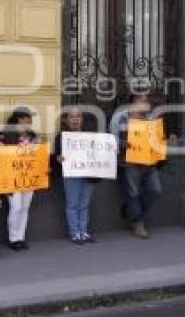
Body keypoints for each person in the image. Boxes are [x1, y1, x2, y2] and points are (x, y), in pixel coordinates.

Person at [109, 94, 164, 239]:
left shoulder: (151, 119)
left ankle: (130, 210)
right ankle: (138, 223)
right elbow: (111, 139)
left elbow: (156, 139)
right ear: (132, 103)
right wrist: (123, 144)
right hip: (128, 163)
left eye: (146, 102)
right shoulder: (120, 117)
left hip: (149, 163)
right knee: (132, 193)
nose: (145, 104)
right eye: (141, 101)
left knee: (155, 190)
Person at [0, 108, 39, 251]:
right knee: (16, 207)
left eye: (30, 119)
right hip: (11, 178)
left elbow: (38, 155)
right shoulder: (5, 135)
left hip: (29, 177)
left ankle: (21, 237)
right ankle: (13, 238)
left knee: (25, 208)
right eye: (27, 119)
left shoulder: (32, 136)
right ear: (19, 119)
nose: (30, 122)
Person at [53, 108, 99, 245]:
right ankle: (74, 233)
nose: (75, 119)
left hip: (89, 174)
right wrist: (58, 159)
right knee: (73, 204)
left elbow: (99, 152)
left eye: (78, 116)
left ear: (82, 119)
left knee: (84, 204)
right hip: (72, 174)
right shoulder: (61, 137)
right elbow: (56, 156)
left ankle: (83, 232)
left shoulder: (91, 135)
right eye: (72, 117)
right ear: (67, 120)